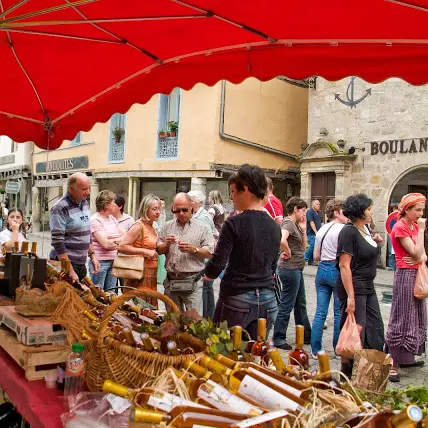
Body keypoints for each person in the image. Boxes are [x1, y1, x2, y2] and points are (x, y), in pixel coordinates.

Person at [205, 164, 280, 339]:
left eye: (233, 191)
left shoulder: (234, 223)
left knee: (223, 352)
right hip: (268, 299)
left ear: (244, 189)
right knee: (255, 355)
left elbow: (217, 264)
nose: (231, 197)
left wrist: (207, 273)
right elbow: (273, 266)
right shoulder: (274, 226)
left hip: (238, 297)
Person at [336, 194, 384, 378]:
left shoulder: (365, 229)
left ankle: (367, 370)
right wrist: (350, 296)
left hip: (368, 285)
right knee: (355, 330)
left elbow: (366, 253)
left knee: (375, 328)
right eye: (369, 209)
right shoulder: (348, 231)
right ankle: (347, 374)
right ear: (359, 211)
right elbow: (344, 265)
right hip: (355, 286)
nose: (371, 212)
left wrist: (376, 243)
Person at [386, 193, 427, 382]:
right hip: (404, 276)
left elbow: (423, 256)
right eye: (417, 210)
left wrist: (419, 256)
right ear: (407, 209)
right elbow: (417, 252)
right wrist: (421, 231)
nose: (421, 213)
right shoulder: (402, 227)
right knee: (402, 317)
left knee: (415, 317)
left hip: (415, 274)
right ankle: (392, 364)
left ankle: (406, 357)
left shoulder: (411, 226)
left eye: (422, 209)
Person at [157, 193, 214, 314]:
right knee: (172, 323)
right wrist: (166, 244)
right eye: (177, 210)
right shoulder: (167, 226)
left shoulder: (202, 227)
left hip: (192, 282)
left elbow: (210, 252)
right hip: (171, 281)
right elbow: (158, 249)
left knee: (194, 323)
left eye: (184, 210)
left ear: (191, 207)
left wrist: (194, 249)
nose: (181, 213)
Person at [273, 197, 311, 350]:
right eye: (303, 211)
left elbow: (304, 246)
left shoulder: (295, 224)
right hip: (290, 269)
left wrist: (303, 229)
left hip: (297, 269)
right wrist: (287, 251)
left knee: (300, 303)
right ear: (295, 209)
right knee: (287, 303)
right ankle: (278, 337)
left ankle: (305, 335)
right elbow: (281, 239)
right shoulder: (288, 222)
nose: (304, 214)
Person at [311, 199, 348, 357]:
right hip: (336, 269)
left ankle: (316, 349)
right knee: (338, 312)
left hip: (322, 270)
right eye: (344, 212)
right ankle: (337, 347)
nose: (346, 215)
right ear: (336, 213)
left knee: (320, 313)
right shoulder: (343, 230)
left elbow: (316, 256)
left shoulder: (321, 230)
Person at [50, 173, 100, 282]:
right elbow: (57, 242)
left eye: (89, 188)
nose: (88, 192)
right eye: (84, 189)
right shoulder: (59, 208)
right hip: (66, 264)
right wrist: (70, 271)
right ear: (71, 188)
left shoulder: (85, 203)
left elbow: (87, 232)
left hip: (81, 264)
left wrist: (92, 255)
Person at [118, 194, 161, 308]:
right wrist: (145, 252)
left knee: (149, 309)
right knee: (140, 308)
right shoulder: (138, 226)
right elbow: (122, 246)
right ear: (145, 209)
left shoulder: (152, 226)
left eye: (159, 209)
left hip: (150, 274)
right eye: (154, 209)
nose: (158, 212)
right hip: (139, 273)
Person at [188, 190, 216, 319]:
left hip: (203, 259)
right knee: (207, 291)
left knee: (204, 291)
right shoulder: (201, 215)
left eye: (190, 201)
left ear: (197, 203)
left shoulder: (202, 218)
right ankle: (209, 319)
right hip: (203, 259)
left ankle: (206, 319)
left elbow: (206, 242)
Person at [90, 190, 125, 290]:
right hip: (100, 263)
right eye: (113, 202)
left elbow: (125, 236)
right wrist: (120, 240)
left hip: (113, 261)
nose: (115, 205)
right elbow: (105, 244)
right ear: (106, 205)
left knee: (111, 294)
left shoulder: (112, 218)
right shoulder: (95, 220)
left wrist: (114, 241)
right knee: (99, 295)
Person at [305, 199, 322, 266]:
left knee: (316, 245)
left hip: (318, 232)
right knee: (313, 244)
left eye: (319, 204)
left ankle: (311, 261)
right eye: (317, 204)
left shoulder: (319, 213)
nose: (319, 205)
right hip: (311, 233)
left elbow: (321, 222)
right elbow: (311, 222)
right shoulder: (310, 212)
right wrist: (316, 232)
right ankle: (305, 258)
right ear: (313, 204)